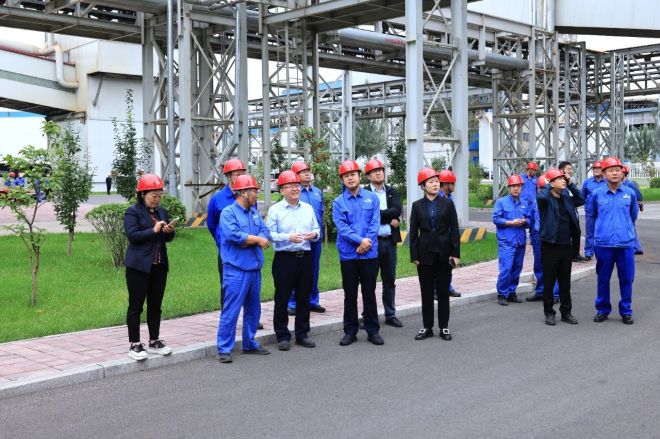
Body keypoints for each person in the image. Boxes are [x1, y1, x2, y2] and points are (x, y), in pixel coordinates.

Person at [216, 174, 272, 363]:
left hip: (254, 269)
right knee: (231, 310)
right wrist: (256, 240)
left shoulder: (254, 213)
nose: (257, 194)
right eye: (254, 191)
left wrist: (254, 239)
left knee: (253, 310)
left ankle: (249, 343)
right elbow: (234, 235)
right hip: (236, 271)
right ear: (242, 192)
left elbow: (265, 231)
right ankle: (224, 348)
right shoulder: (228, 213)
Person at [123, 174, 175, 361]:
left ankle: (154, 340)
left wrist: (169, 232)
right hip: (139, 267)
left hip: (159, 265)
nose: (157, 199)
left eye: (159, 195)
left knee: (155, 305)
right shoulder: (133, 212)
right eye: (154, 195)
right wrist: (152, 230)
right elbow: (132, 235)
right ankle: (135, 343)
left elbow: (167, 238)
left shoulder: (162, 212)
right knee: (136, 306)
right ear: (143, 194)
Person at [332, 160, 384, 346]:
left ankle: (373, 331)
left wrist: (366, 242)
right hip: (349, 255)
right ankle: (350, 331)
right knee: (350, 294)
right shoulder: (338, 202)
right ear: (342, 180)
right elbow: (342, 227)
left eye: (353, 174)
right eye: (346, 176)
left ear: (359, 176)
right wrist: (360, 241)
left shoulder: (372, 198)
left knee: (369, 293)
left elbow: (375, 223)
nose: (350, 178)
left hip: (369, 254)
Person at [267, 170, 320, 351]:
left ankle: (302, 334)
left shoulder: (308, 208)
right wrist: (287, 237)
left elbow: (316, 229)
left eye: (297, 185)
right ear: (282, 190)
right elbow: (269, 234)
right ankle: (282, 336)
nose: (295, 189)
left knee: (304, 297)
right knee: (282, 298)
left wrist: (314, 235)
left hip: (305, 257)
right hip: (285, 259)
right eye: (290, 186)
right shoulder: (275, 210)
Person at [409, 168, 460, 341]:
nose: (435, 184)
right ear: (423, 186)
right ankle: (427, 327)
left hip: (444, 254)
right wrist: (414, 256)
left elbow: (454, 229)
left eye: (436, 181)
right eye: (430, 182)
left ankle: (444, 327)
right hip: (424, 255)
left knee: (443, 292)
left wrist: (455, 253)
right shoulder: (417, 206)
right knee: (427, 293)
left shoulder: (448, 204)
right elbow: (413, 232)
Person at [589, 157, 638, 325]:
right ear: (604, 174)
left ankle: (626, 310)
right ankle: (602, 309)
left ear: (622, 172)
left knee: (627, 279)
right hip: (603, 244)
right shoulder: (597, 194)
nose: (615, 173)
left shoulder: (629, 193)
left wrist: (625, 230)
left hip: (625, 244)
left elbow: (633, 216)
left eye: (618, 170)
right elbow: (593, 215)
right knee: (603, 279)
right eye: (611, 170)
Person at [536, 168, 584, 325]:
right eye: (560, 178)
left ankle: (566, 312)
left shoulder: (567, 199)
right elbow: (541, 196)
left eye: (565, 178)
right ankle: (549, 312)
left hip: (566, 246)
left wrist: (571, 185)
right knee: (549, 281)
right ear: (551, 182)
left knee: (565, 283)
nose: (564, 180)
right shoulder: (545, 199)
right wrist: (547, 184)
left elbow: (581, 199)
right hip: (550, 246)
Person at [363, 158, 403, 328]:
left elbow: (397, 210)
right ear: (368, 176)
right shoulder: (364, 193)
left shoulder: (392, 191)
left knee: (389, 280)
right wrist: (388, 218)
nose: (379, 173)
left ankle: (390, 314)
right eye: (374, 171)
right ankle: (368, 316)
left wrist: (379, 215)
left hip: (389, 242)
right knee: (369, 281)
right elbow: (366, 215)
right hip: (371, 243)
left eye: (380, 170)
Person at [287, 161, 326, 315]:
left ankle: (313, 301)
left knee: (313, 270)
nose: (307, 174)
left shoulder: (317, 192)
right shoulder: (294, 192)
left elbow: (321, 212)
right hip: (299, 239)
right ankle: (292, 302)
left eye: (308, 171)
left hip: (315, 238)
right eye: (303, 172)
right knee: (295, 271)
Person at [492, 174, 534, 306]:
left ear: (521, 188)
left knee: (517, 268)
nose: (516, 188)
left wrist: (525, 221)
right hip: (507, 241)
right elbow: (496, 219)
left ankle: (511, 292)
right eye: (513, 186)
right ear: (509, 188)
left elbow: (529, 220)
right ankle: (502, 294)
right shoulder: (501, 202)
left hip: (520, 241)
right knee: (506, 268)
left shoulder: (524, 203)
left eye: (518, 186)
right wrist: (511, 222)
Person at [526, 174, 559, 303]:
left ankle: (554, 293)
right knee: (539, 265)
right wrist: (525, 223)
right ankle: (540, 291)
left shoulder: (556, 201)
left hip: (551, 237)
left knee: (553, 265)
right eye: (540, 188)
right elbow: (531, 218)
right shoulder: (535, 201)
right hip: (537, 236)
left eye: (544, 187)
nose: (541, 190)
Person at [438, 169, 462, 298]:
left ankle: (447, 286)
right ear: (446, 184)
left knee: (449, 263)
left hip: (449, 236)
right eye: (453, 183)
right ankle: (436, 289)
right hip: (438, 237)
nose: (454, 186)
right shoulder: (436, 198)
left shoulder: (450, 198)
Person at [559, 161, 586, 262]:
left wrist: (571, 184)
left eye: (571, 169)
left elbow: (581, 200)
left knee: (576, 233)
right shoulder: (559, 186)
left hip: (573, 214)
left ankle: (575, 254)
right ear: (561, 170)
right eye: (568, 169)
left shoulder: (569, 184)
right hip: (565, 216)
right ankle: (567, 256)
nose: (570, 171)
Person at [581, 160, 606, 261]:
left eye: (598, 169)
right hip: (590, 211)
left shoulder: (606, 182)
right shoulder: (587, 182)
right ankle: (588, 252)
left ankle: (603, 252)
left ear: (603, 170)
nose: (596, 170)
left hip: (603, 211)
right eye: (594, 169)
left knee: (603, 231)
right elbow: (582, 196)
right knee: (590, 232)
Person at [622, 165, 644, 255]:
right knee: (630, 227)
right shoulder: (622, 184)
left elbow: (639, 197)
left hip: (631, 208)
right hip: (626, 208)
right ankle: (636, 247)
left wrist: (639, 206)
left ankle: (636, 247)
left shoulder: (630, 184)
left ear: (624, 174)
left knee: (630, 226)